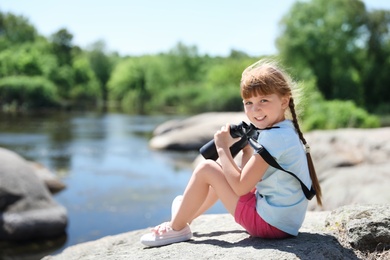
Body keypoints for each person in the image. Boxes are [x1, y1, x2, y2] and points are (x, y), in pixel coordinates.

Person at [140, 59, 322, 247]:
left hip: (269, 225)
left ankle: (175, 228)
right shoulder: (284, 130)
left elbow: (241, 187)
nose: (255, 109)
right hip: (284, 222)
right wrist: (246, 150)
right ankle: (185, 218)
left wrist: (222, 147)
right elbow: (247, 177)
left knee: (207, 169)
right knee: (224, 175)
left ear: (284, 101)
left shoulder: (274, 137)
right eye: (248, 102)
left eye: (264, 100)